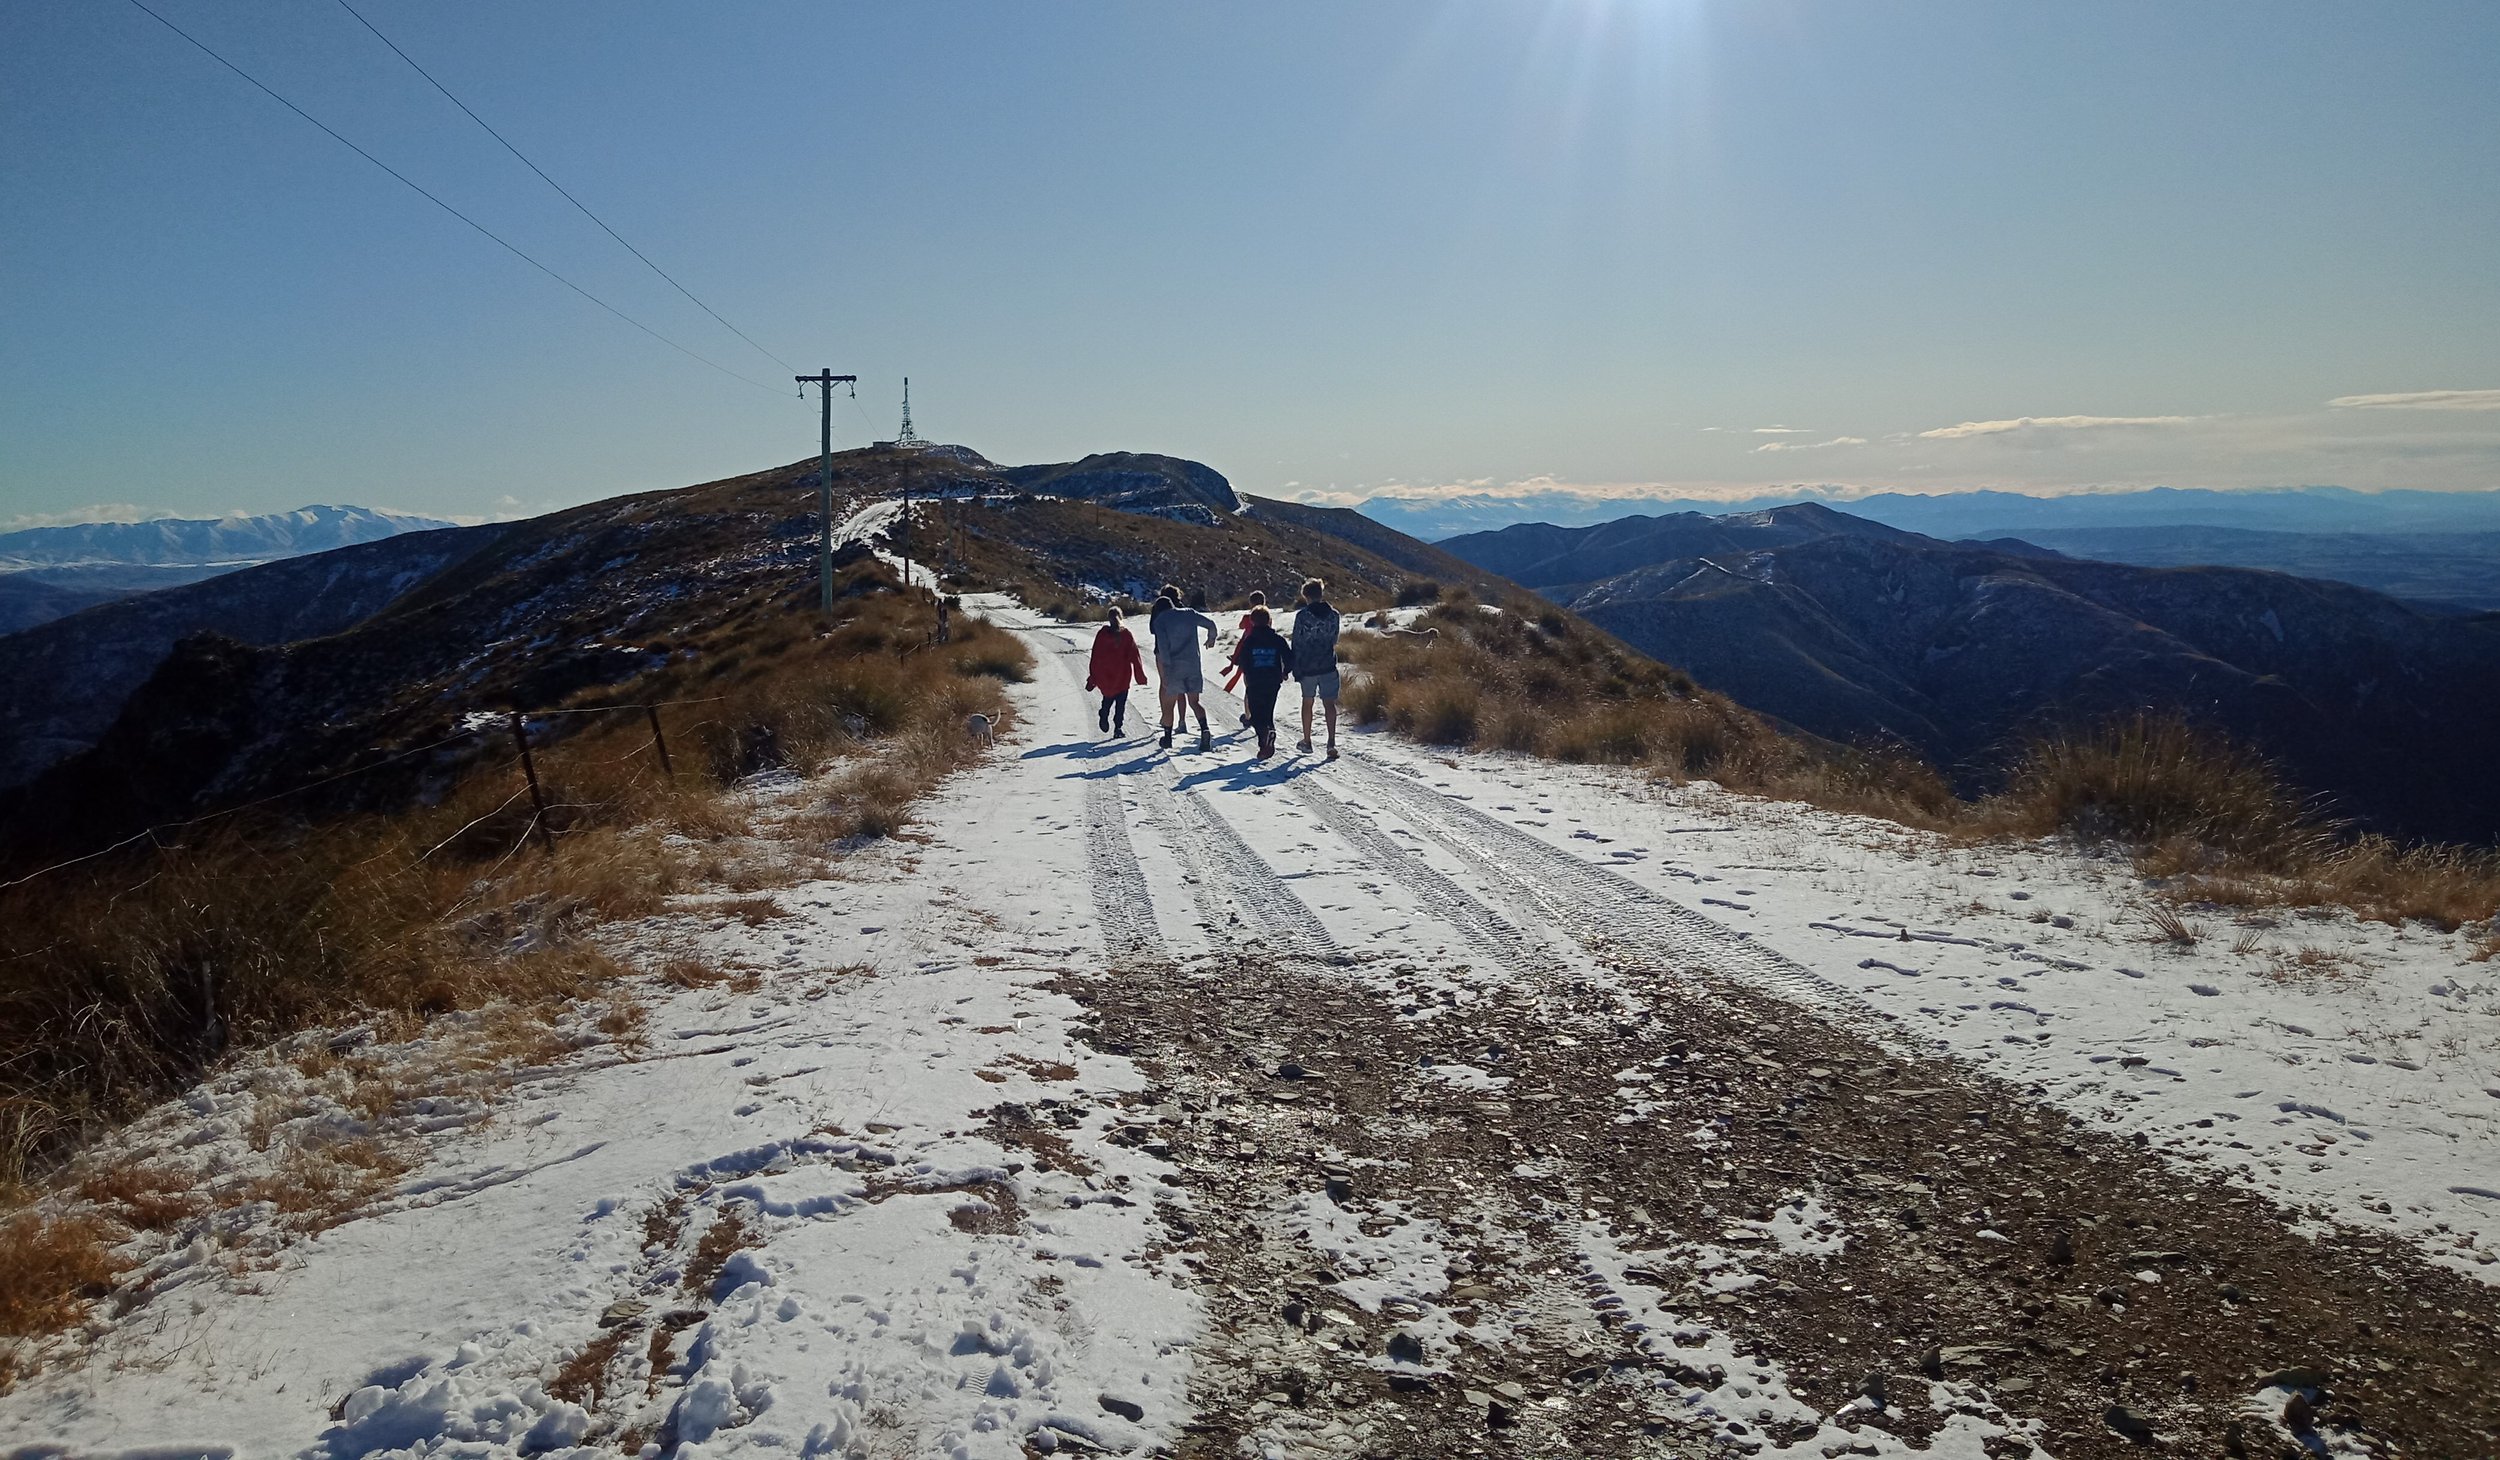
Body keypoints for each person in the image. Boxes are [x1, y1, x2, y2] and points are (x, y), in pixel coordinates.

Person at [1147, 588, 1219, 751]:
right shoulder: (1189, 613)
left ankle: (1167, 738)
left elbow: (1163, 649)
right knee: (1194, 702)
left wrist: (1165, 673)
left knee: (1169, 705)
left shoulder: (1160, 621)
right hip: (1193, 665)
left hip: (1174, 667)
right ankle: (1204, 729)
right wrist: (1211, 638)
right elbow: (1211, 624)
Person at [1230, 606, 1294, 760]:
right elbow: (1289, 657)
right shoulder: (1278, 639)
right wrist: (1285, 672)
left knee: (1255, 715)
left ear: (1252, 622)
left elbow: (1243, 660)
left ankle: (1264, 740)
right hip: (1273, 681)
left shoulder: (1250, 640)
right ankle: (1268, 736)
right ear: (1269, 621)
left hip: (1254, 681)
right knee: (1268, 710)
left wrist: (1242, 668)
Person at [1291, 577, 1343, 760]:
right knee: (1329, 704)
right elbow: (1334, 639)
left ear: (1306, 596)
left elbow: (1296, 642)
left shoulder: (1302, 616)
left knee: (1308, 702)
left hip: (1307, 666)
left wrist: (1293, 665)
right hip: (1328, 663)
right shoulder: (1334, 615)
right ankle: (1331, 742)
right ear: (1321, 594)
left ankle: (1307, 740)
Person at [1084, 606, 1148, 737]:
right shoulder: (1126, 635)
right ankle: (1118, 728)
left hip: (1105, 675)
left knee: (1107, 698)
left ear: (1108, 618)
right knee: (1121, 703)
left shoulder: (1102, 635)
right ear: (1121, 617)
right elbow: (1135, 656)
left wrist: (1093, 678)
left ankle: (1104, 713)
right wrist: (1140, 676)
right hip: (1123, 675)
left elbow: (1095, 656)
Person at [1222, 590, 1266, 714]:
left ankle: (1248, 714)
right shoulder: (1268, 617)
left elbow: (1241, 626)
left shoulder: (1248, 617)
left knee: (1247, 682)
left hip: (1247, 649)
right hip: (1263, 650)